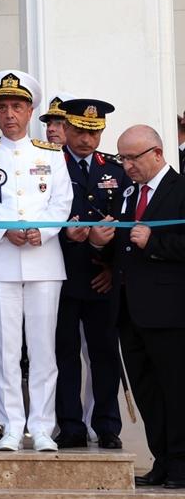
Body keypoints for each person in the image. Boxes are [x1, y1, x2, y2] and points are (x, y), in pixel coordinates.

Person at [0, 70, 72, 452]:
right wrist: (3, 230)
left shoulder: (51, 154)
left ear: (30, 110)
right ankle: (10, 426)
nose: (10, 114)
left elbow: (62, 201)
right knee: (5, 350)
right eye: (3, 106)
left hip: (43, 260)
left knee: (43, 349)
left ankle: (42, 427)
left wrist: (43, 230)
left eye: (17, 106)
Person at [90, 125, 185, 488]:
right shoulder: (127, 194)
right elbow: (122, 250)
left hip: (169, 311)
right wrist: (99, 244)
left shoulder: (180, 189)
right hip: (129, 310)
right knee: (146, 392)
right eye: (122, 158)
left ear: (158, 154)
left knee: (175, 391)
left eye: (133, 157)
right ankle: (161, 459)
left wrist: (155, 242)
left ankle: (181, 464)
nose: (126, 165)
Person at [53, 98, 126, 450]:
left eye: (94, 131)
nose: (87, 139)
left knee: (104, 354)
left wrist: (113, 266)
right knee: (64, 353)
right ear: (65, 129)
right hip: (62, 273)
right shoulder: (50, 164)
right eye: (80, 130)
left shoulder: (114, 168)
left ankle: (107, 425)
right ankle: (69, 425)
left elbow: (125, 225)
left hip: (101, 277)